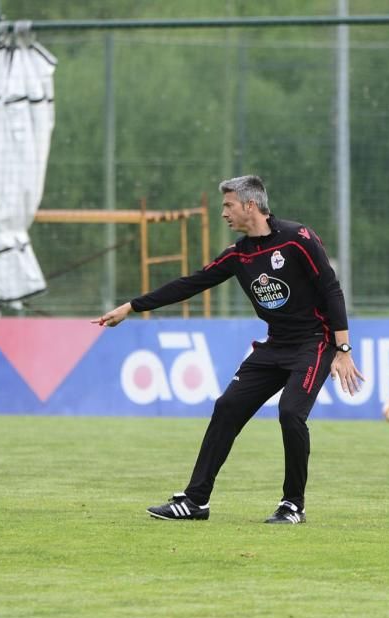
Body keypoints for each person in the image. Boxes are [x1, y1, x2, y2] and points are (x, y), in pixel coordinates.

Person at [97, 175, 364, 524]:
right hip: (275, 346)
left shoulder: (299, 239)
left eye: (228, 205)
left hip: (314, 343)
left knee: (290, 413)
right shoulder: (239, 255)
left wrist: (342, 348)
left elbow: (332, 290)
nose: (223, 212)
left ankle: (292, 505)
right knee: (226, 407)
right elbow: (190, 284)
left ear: (250, 206)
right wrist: (132, 306)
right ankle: (196, 502)